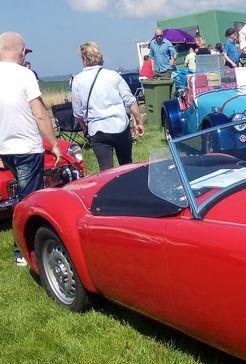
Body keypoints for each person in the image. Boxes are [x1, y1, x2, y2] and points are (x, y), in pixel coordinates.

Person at [0, 32, 62, 266]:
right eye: (24, 52)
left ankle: (25, 245)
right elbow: (39, 113)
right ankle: (25, 250)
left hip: (6, 148)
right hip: (27, 146)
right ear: (19, 52)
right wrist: (54, 144)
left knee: (21, 195)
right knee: (30, 200)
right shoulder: (25, 74)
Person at [72, 41, 144, 171]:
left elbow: (77, 113)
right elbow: (130, 101)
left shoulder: (77, 80)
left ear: (84, 59)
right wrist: (139, 122)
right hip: (120, 125)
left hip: (97, 129)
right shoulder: (113, 75)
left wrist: (85, 128)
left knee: (106, 170)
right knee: (127, 165)